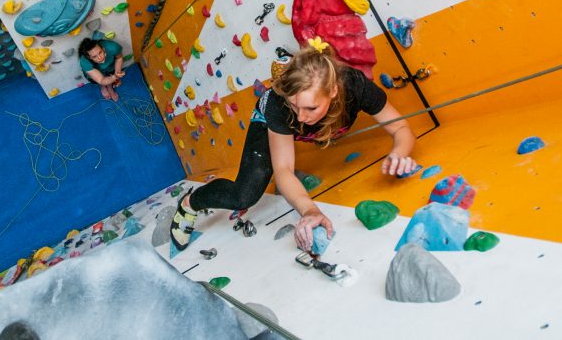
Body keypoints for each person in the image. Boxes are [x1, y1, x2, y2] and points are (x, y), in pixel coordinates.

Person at [170, 37, 417, 253]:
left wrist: (399, 152)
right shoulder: (279, 106)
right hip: (267, 118)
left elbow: (401, 128)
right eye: (294, 105)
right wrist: (309, 210)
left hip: (324, 110)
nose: (300, 117)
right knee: (243, 195)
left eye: (310, 108)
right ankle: (190, 203)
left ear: (333, 91)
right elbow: (284, 169)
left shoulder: (356, 87)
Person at [78, 37, 125, 101]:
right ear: (89, 57)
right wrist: (115, 77)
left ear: (103, 49)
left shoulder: (112, 47)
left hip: (110, 68)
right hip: (97, 75)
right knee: (101, 82)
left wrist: (117, 74)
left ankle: (109, 87)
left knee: (110, 77)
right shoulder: (84, 62)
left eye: (100, 52)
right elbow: (101, 80)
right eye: (94, 56)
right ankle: (103, 87)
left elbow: (119, 58)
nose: (100, 58)